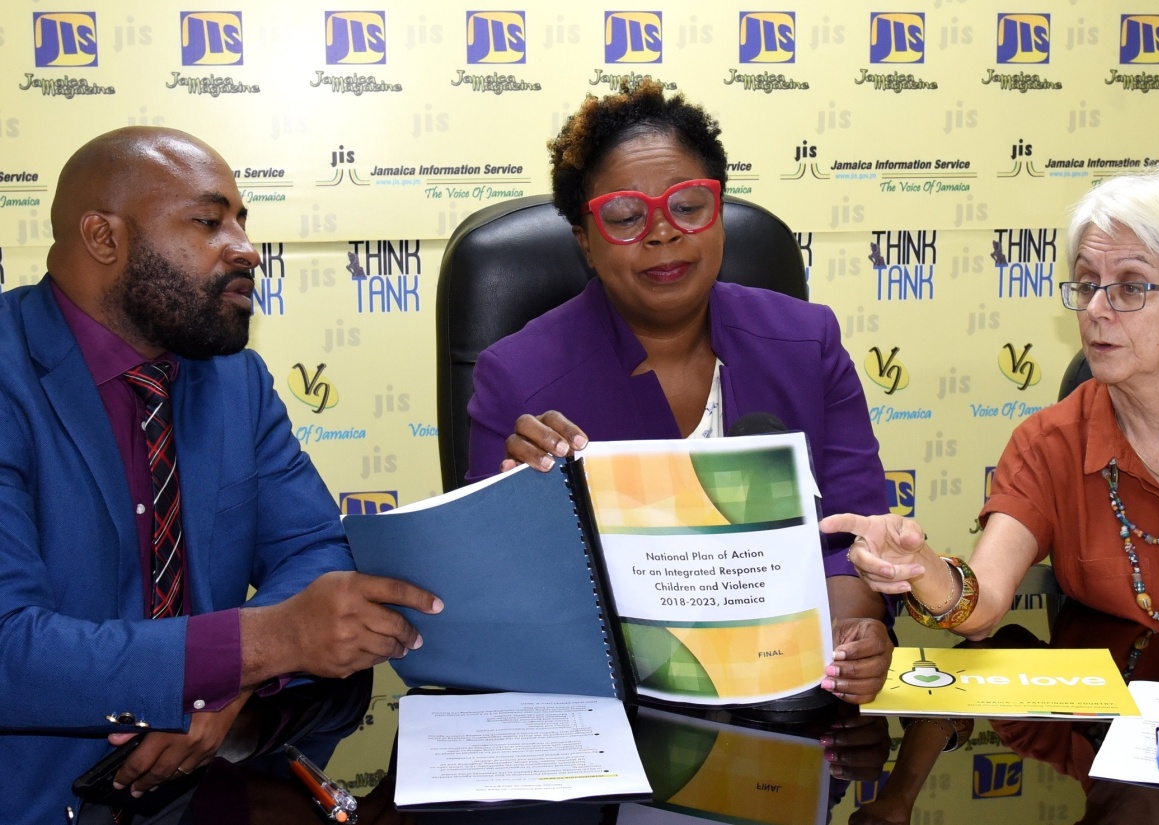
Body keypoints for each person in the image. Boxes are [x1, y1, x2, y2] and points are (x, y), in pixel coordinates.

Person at [0, 127, 443, 824]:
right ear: (102, 237)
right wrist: (260, 643)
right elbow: (9, 648)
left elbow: (315, 551)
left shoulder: (235, 379)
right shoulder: (8, 372)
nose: (246, 248)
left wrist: (226, 676)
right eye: (209, 222)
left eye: (242, 220)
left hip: (210, 789)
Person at [466, 79, 893, 703]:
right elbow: (494, 592)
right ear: (584, 240)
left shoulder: (809, 342)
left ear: (718, 212)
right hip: (608, 706)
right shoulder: (520, 378)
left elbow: (848, 535)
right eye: (624, 217)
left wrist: (853, 634)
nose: (662, 233)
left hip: (787, 700)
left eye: (687, 205)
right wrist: (522, 506)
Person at [823, 166, 1159, 648]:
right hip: (1110, 718)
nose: (1095, 309)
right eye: (1086, 283)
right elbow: (980, 610)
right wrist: (920, 566)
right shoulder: (1050, 443)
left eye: (1131, 286)